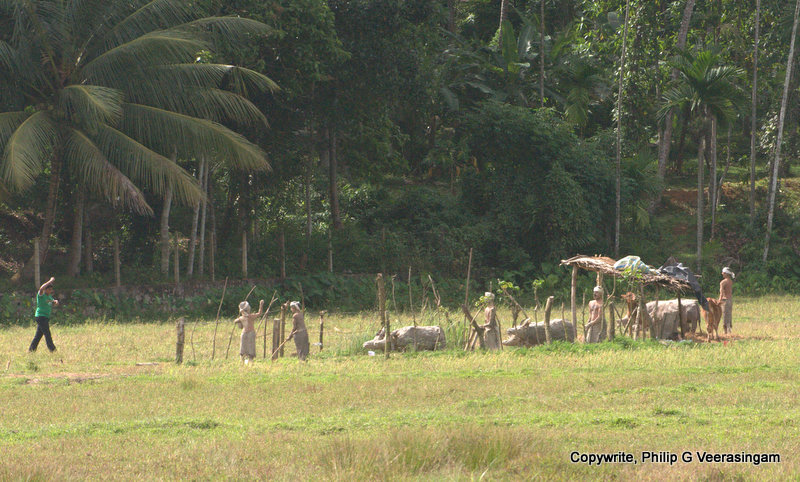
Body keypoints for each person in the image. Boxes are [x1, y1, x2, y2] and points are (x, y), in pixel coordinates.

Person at [29, 276, 59, 352]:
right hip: (41, 317)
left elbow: (53, 302)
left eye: (51, 289)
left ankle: (31, 350)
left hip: (46, 317)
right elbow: (41, 288)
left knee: (38, 335)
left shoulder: (49, 296)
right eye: (49, 289)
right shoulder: (41, 295)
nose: (50, 291)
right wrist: (50, 281)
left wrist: (55, 301)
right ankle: (53, 350)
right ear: (46, 289)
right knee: (47, 334)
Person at [234, 299, 264, 364]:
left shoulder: (247, 317)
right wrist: (261, 305)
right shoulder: (248, 317)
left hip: (246, 333)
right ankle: (246, 361)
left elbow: (235, 321)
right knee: (244, 348)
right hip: (247, 333)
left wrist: (242, 316)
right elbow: (259, 313)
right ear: (247, 309)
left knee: (248, 348)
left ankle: (247, 361)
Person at [718, 267, 735, 335]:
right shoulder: (730, 281)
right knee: (729, 315)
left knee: (725, 315)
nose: (722, 274)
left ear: (726, 274)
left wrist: (719, 301)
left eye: (723, 273)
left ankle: (725, 331)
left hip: (725, 301)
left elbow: (721, 293)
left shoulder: (723, 282)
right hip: (730, 300)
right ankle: (729, 330)